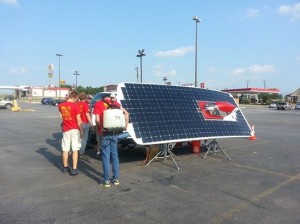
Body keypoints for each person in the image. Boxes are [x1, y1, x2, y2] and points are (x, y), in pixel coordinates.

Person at [93, 93, 129, 188]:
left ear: (102, 98)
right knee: (115, 156)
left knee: (105, 157)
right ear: (109, 98)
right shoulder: (116, 104)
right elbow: (126, 114)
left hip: (104, 133)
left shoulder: (98, 104)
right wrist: (126, 126)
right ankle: (116, 178)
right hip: (115, 133)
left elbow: (97, 119)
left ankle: (106, 180)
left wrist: (99, 128)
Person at [58, 90, 83, 175]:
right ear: (75, 97)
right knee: (75, 149)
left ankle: (65, 167)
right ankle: (74, 169)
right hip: (75, 129)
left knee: (65, 149)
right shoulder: (75, 106)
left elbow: (62, 117)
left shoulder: (61, 106)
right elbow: (79, 120)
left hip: (66, 129)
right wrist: (81, 131)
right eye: (76, 99)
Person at [77, 92, 93, 161]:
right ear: (85, 98)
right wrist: (91, 122)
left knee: (77, 138)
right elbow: (87, 114)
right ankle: (81, 152)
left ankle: (75, 150)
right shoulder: (85, 104)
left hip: (77, 122)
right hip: (84, 123)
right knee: (84, 139)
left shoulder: (76, 104)